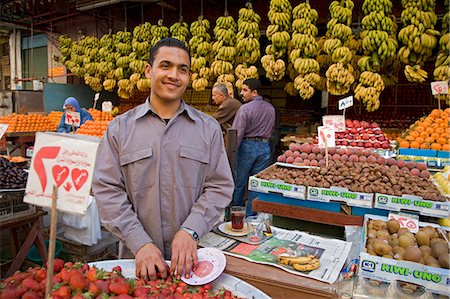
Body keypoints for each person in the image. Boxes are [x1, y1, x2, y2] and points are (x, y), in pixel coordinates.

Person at [92, 38, 234, 282]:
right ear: (149, 70)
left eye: (183, 69)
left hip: (193, 263)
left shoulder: (208, 129)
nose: (174, 75)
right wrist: (140, 242)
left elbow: (219, 186)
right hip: (138, 262)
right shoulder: (120, 129)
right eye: (165, 66)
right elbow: (107, 191)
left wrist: (191, 231)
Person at [230, 78, 275, 217]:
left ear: (254, 92)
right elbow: (272, 129)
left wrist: (231, 153)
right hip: (264, 147)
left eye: (245, 90)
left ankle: (234, 213)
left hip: (247, 146)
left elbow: (237, 133)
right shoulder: (270, 108)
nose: (241, 93)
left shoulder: (245, 109)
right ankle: (251, 215)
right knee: (256, 184)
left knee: (240, 182)